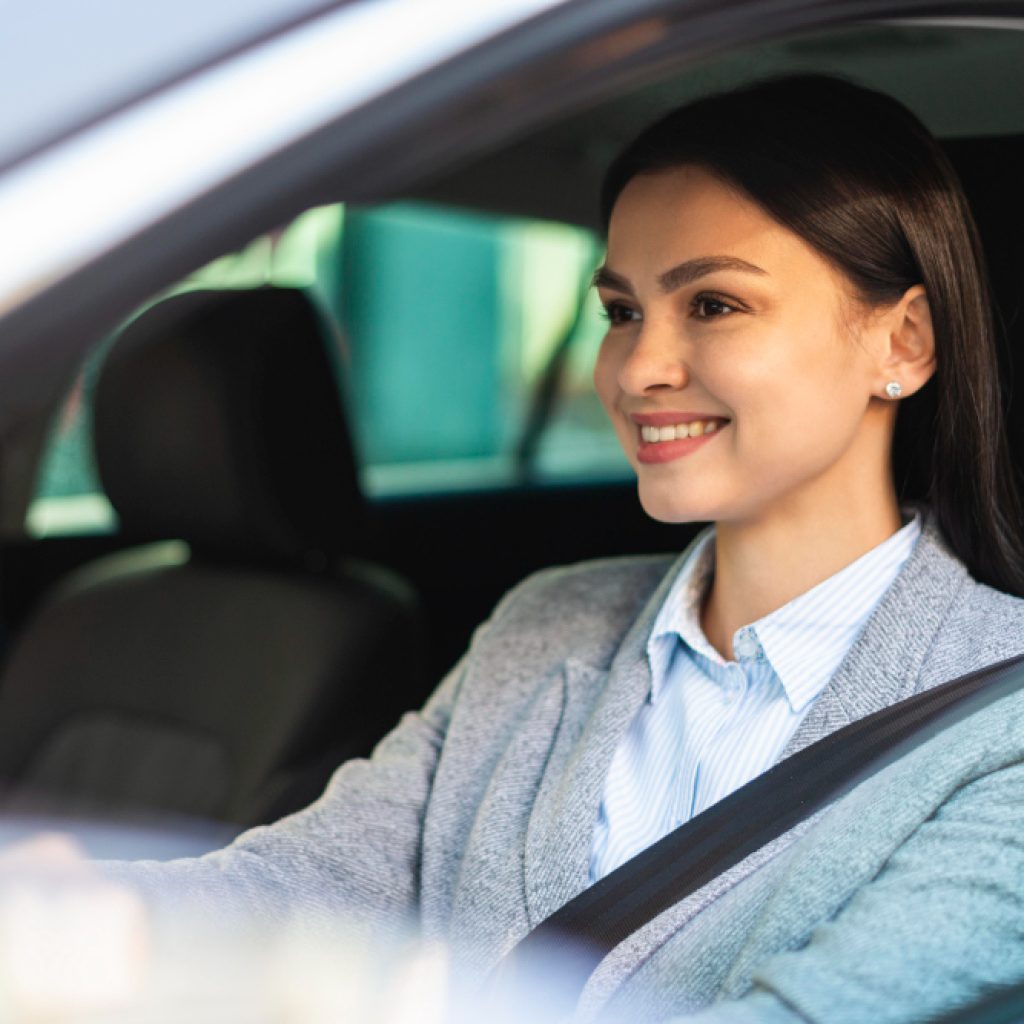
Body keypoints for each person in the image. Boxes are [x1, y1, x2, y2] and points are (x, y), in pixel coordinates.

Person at [28, 74, 1024, 1022]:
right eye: (621, 310)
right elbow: (322, 875)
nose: (639, 366)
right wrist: (94, 915)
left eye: (712, 304)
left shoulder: (1001, 724)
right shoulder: (544, 621)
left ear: (902, 343)